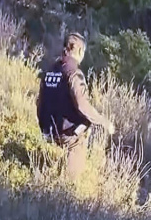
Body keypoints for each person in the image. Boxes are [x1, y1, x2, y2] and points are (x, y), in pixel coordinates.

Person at [36, 32, 115, 182]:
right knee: (83, 131)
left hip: (47, 128)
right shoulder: (73, 73)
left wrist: (43, 126)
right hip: (64, 132)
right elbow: (82, 105)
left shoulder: (50, 70)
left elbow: (39, 101)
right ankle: (70, 185)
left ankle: (50, 169)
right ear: (79, 51)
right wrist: (104, 122)